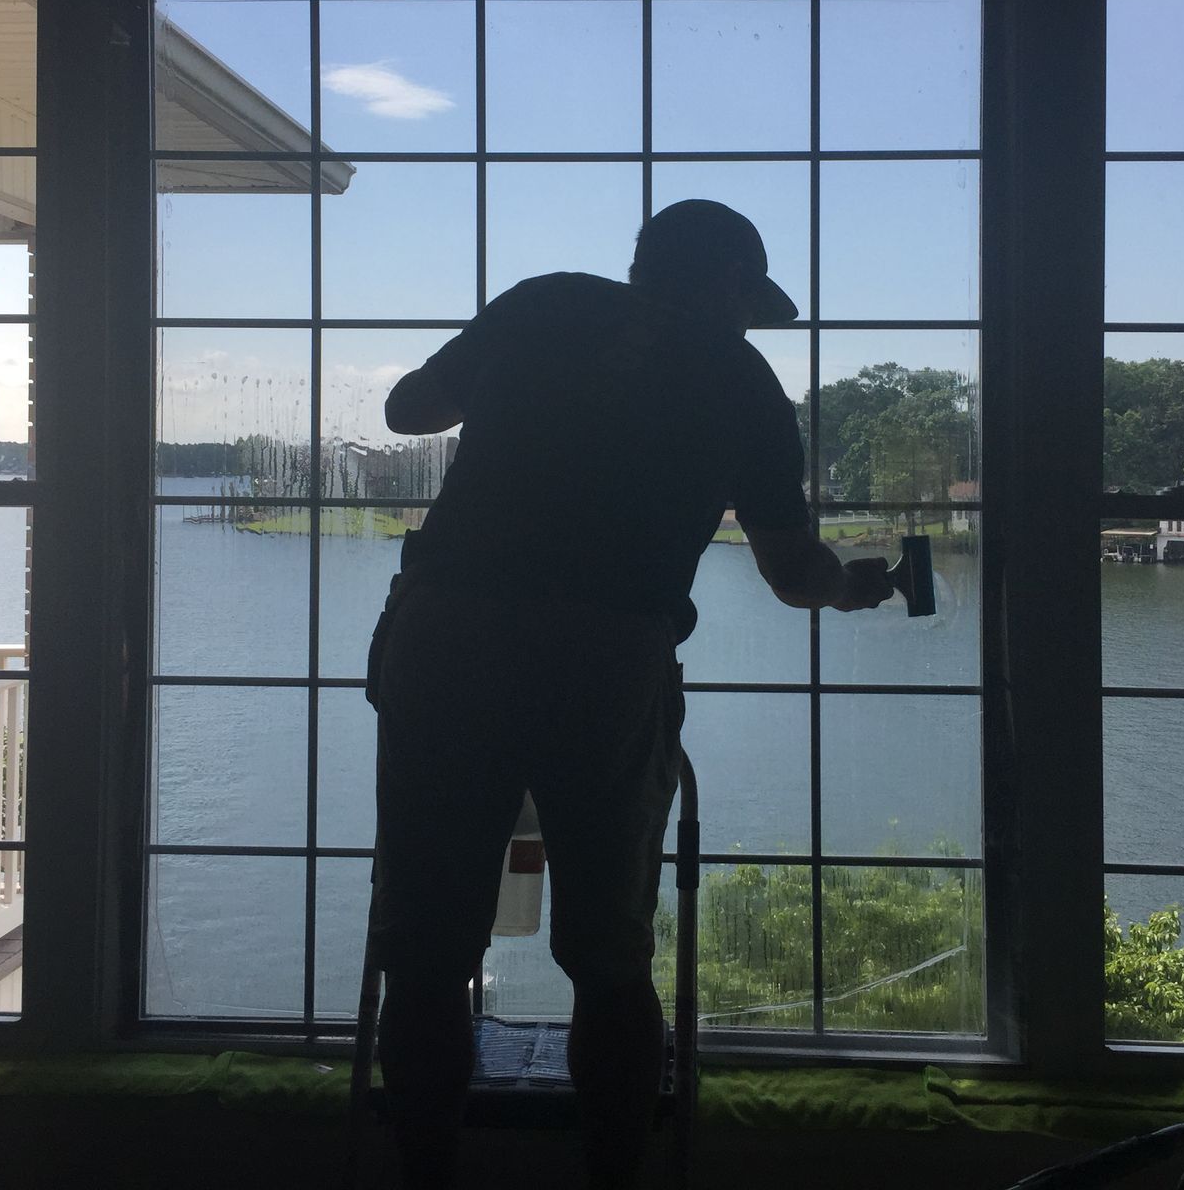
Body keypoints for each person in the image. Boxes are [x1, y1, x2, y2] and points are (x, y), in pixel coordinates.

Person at [368, 198, 895, 1188]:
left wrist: (498, 382)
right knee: (609, 955)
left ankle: (422, 1175)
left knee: (427, 948)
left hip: (451, 638)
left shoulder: (546, 305)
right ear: (732, 287)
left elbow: (407, 409)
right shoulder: (742, 382)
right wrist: (850, 585)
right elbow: (791, 574)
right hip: (607, 661)